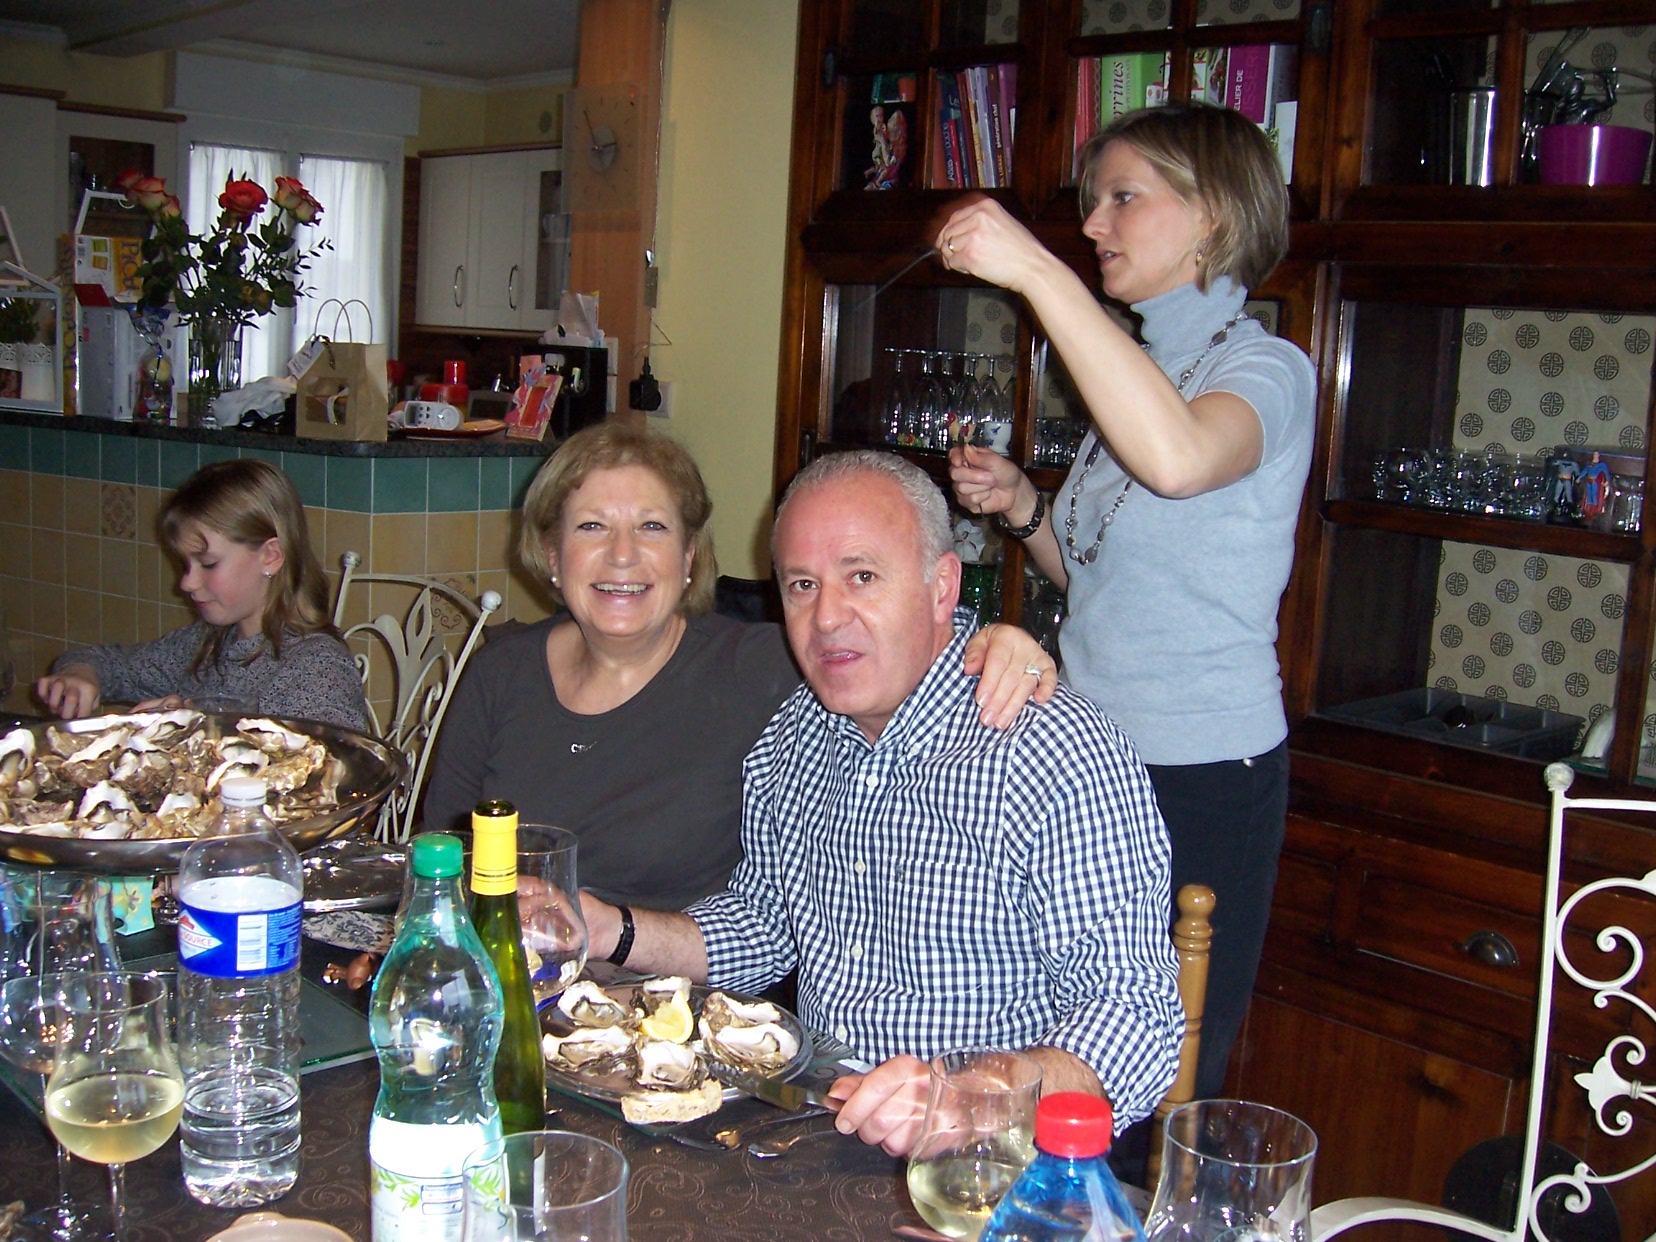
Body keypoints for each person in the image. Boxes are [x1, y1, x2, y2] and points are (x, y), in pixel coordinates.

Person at [581, 451, 1182, 1156]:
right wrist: (609, 929)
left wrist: (971, 1094)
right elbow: (764, 926)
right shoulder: (795, 738)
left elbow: (1135, 1016)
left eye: (861, 576)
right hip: (814, 1135)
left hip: (987, 1167)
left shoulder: (1051, 750)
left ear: (941, 587)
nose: (827, 616)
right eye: (802, 585)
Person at [936, 103, 1316, 1100]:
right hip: (1091, 752)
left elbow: (1180, 461)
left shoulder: (1266, 370)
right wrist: (1023, 506)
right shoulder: (1148, 375)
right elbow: (1101, 577)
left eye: (1122, 198)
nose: (1093, 224)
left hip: (1201, 770)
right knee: (1063, 1038)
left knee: (1157, 1070)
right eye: (1091, 203)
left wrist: (1036, 271)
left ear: (1213, 213)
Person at [423, 423, 1056, 911]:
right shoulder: (501, 673)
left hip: (675, 1012)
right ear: (552, 555)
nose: (621, 555)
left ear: (688, 558)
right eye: (591, 526)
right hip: (513, 988)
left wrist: (999, 641)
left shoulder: (766, 668)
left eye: (651, 526)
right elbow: (440, 864)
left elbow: (900, 653)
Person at [36, 458, 368, 733]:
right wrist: (80, 674)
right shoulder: (207, 643)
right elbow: (111, 663)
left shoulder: (317, 670)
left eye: (208, 564)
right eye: (185, 564)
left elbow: (328, 778)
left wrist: (194, 733)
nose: (187, 582)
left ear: (270, 556)